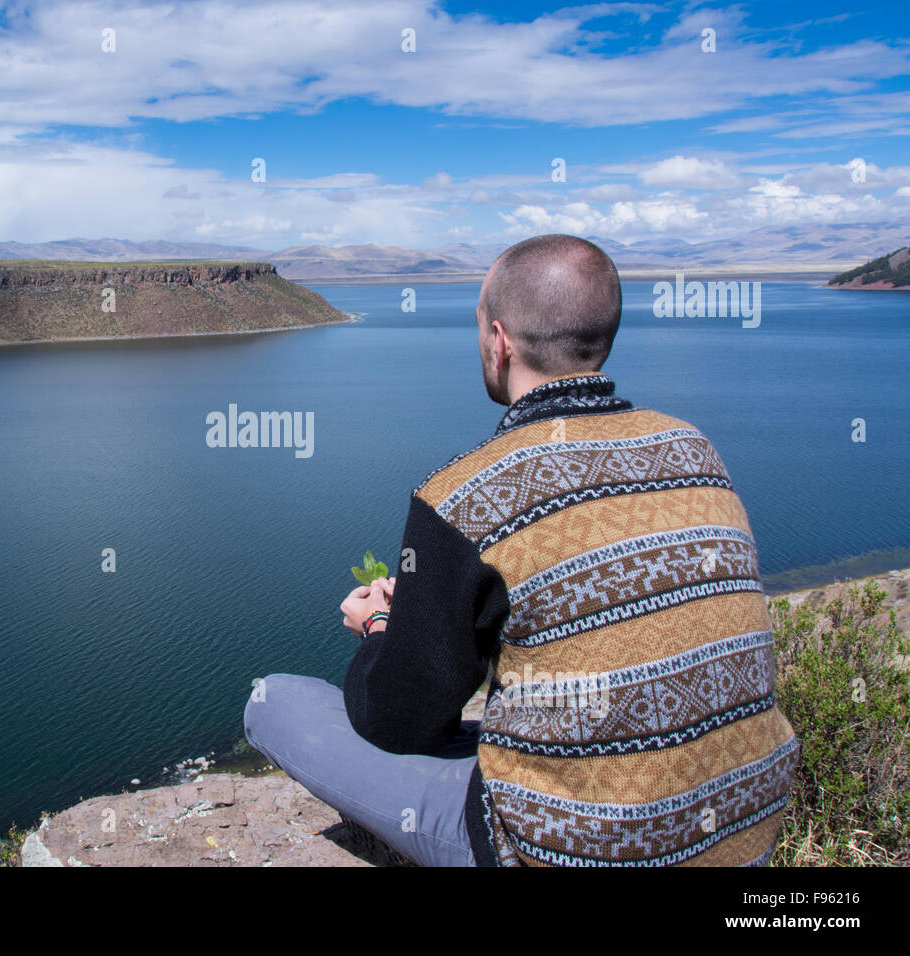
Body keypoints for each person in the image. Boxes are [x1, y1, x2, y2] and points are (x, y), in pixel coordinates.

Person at [244, 233, 799, 866]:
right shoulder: (693, 450)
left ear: (500, 341)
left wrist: (379, 627)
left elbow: (400, 720)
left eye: (480, 327)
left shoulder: (465, 496)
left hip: (568, 853)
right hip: (746, 833)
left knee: (275, 700)